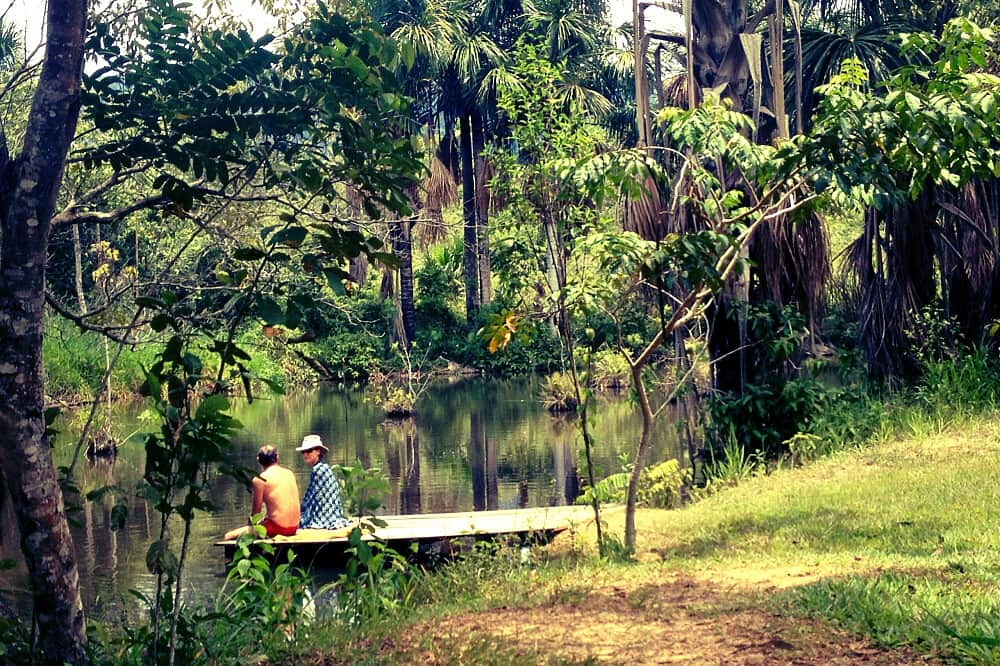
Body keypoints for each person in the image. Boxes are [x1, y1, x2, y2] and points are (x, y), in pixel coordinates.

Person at [224, 444, 300, 540]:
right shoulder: (289, 474)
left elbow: (256, 513)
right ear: (277, 457)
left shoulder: (260, 479)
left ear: (258, 460)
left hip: (279, 528)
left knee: (228, 536)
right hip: (294, 527)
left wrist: (250, 528)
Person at [296, 434, 352, 530]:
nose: (305, 454)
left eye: (309, 451)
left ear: (318, 451)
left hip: (325, 516)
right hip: (333, 514)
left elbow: (309, 501)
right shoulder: (324, 467)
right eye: (303, 452)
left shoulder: (318, 470)